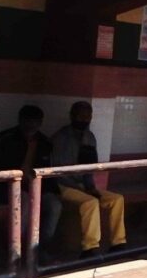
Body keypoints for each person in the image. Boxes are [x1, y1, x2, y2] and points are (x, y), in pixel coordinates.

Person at [0, 105, 63, 260]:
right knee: (23, 200)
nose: (31, 124)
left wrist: (53, 192)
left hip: (37, 188)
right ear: (20, 120)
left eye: (35, 121)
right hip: (5, 188)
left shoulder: (45, 143)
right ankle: (17, 252)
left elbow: (49, 171)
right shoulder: (5, 138)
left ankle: (39, 249)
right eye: (27, 120)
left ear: (40, 122)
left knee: (54, 204)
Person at [51, 101, 126, 258]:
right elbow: (57, 171)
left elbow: (89, 168)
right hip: (62, 185)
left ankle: (118, 243)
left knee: (117, 199)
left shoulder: (89, 137)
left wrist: (90, 187)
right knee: (90, 202)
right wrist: (84, 190)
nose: (84, 119)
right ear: (72, 116)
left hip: (83, 185)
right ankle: (89, 248)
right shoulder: (60, 137)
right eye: (81, 115)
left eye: (88, 116)